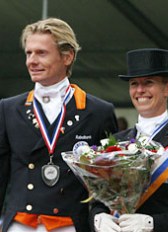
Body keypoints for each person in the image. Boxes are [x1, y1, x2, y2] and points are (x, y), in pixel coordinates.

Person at [0, 18, 118, 232]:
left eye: (41, 53)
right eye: (28, 53)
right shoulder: (8, 108)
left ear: (67, 56)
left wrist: (102, 216)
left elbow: (108, 180)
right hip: (19, 224)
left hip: (70, 224)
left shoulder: (99, 112)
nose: (31, 61)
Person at [90, 48, 168, 232]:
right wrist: (97, 217)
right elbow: (100, 200)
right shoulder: (115, 142)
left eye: (148, 83)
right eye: (134, 83)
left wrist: (153, 224)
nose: (140, 90)